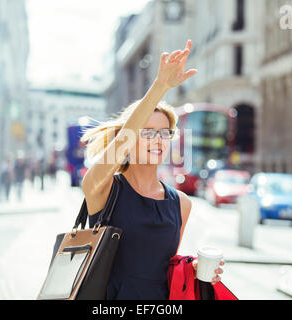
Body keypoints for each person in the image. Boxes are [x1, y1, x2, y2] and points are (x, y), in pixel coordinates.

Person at [81, 40, 224, 300]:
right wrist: (160, 87)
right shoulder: (104, 188)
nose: (158, 139)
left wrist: (190, 270)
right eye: (146, 132)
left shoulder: (181, 203)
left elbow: (164, 269)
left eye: (164, 133)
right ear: (130, 138)